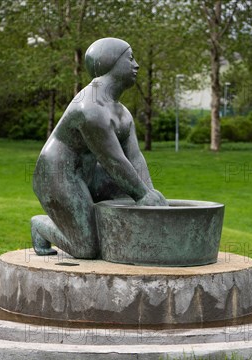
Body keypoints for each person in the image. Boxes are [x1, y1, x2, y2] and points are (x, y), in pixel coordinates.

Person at [31, 37, 167, 258]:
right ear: (110, 62)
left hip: (90, 170)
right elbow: (113, 160)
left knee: (127, 206)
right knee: (85, 248)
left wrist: (150, 195)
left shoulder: (121, 112)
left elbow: (134, 157)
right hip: (59, 174)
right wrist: (142, 194)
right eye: (130, 58)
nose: (136, 65)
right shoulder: (90, 107)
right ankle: (41, 226)